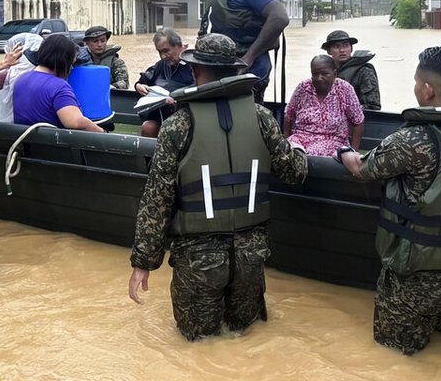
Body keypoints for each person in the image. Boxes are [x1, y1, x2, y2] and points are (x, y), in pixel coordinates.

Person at [128, 34, 308, 340]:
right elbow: (293, 173)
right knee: (247, 339)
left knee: (198, 346)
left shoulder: (178, 124)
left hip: (198, 259)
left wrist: (143, 263)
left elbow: (156, 199)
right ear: (235, 71)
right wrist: (299, 149)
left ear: (196, 71)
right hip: (250, 256)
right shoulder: (262, 117)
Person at [339, 44, 441, 354]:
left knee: (395, 357)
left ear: (427, 90)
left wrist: (344, 151)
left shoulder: (414, 138)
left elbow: (364, 169)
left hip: (417, 279)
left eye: (416, 81)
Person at [199, 0, 289, 102]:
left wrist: (248, 58)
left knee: (243, 124)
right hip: (225, 72)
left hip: (245, 76)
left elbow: (280, 17)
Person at [12, 33, 105, 132]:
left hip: (27, 143)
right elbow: (74, 121)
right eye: (71, 63)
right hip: (52, 144)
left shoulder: (22, 79)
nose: (71, 68)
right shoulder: (58, 86)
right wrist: (102, 133)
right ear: (63, 61)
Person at [283, 55, 364, 156]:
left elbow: (358, 122)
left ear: (334, 74)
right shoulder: (303, 87)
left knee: (310, 153)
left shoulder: (345, 89)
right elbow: (288, 115)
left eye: (325, 74)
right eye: (315, 74)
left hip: (333, 141)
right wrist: (286, 139)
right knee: (283, 151)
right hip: (300, 138)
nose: (319, 78)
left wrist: (354, 152)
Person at [134, 28, 194, 138]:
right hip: (160, 114)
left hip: (186, 115)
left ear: (179, 46)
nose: (162, 56)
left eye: (166, 51)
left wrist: (177, 99)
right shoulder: (161, 65)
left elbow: (201, 89)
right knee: (148, 128)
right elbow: (143, 79)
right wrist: (139, 86)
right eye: (159, 52)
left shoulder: (194, 66)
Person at [0, 32, 42, 122]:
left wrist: (4, 64)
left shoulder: (9, 76)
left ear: (16, 53)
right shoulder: (40, 74)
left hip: (0, 125)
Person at [322, 29, 381, 110]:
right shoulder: (324, 72)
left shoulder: (364, 72)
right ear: (329, 51)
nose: (342, 50)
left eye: (345, 45)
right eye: (336, 46)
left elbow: (372, 107)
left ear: (351, 48)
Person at [81, 25, 129, 90]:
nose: (99, 45)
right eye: (95, 41)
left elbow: (124, 83)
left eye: (103, 41)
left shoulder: (115, 61)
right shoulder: (77, 60)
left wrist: (112, 86)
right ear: (86, 43)